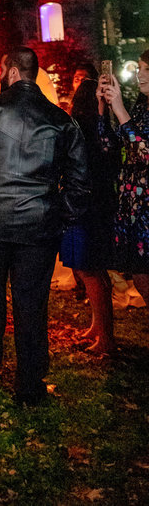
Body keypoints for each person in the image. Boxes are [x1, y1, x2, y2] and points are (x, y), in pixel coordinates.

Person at [0, 47, 90, 405]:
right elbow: (80, 178)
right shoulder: (60, 119)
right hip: (37, 226)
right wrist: (62, 214)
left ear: (12, 72)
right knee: (31, 304)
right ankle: (29, 383)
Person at [59, 63, 117, 354]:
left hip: (91, 206)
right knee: (87, 270)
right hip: (87, 202)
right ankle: (98, 326)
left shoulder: (99, 129)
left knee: (91, 270)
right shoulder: (83, 128)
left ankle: (107, 337)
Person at [97, 53, 149, 315]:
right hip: (133, 206)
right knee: (139, 275)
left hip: (147, 206)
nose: (141, 74)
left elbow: (145, 152)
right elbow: (109, 145)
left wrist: (120, 109)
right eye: (139, 69)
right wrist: (104, 107)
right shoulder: (141, 109)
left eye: (146, 69)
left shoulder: (134, 112)